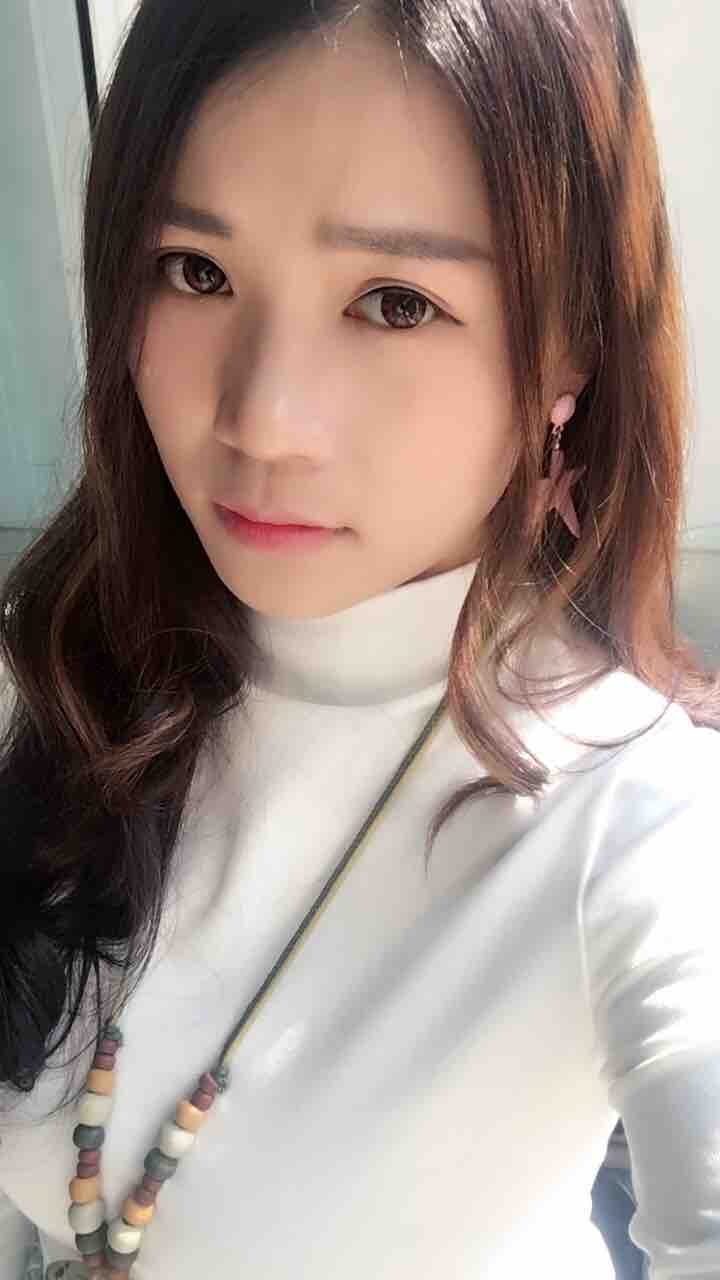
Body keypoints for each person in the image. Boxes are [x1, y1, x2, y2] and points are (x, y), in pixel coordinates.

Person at [0, 0, 719, 1276]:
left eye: (395, 301)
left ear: (574, 349)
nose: (262, 418)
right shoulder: (70, 665)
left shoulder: (637, 818)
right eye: (196, 271)